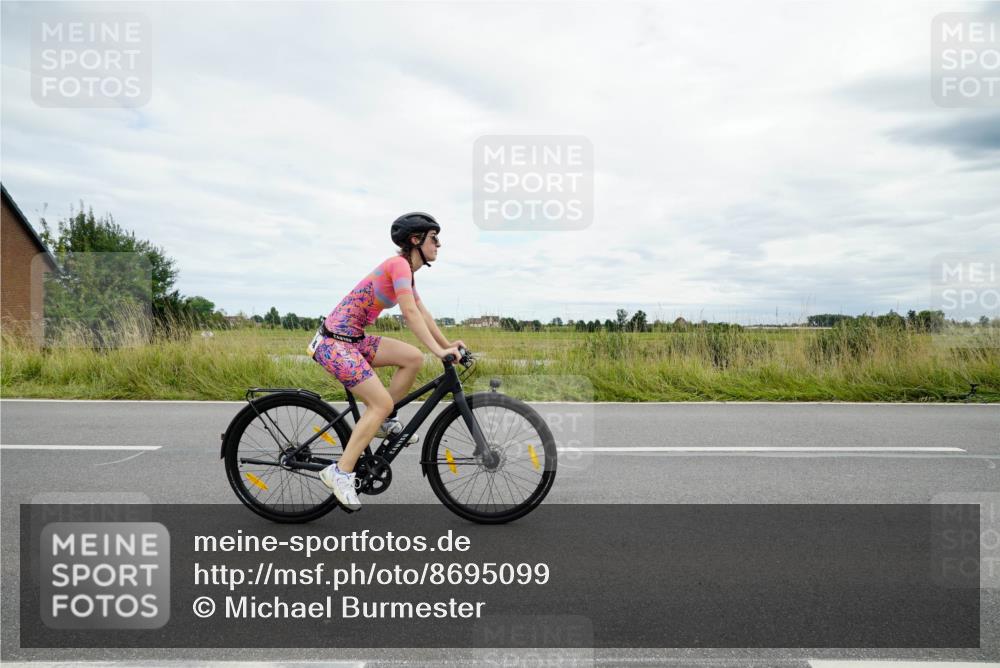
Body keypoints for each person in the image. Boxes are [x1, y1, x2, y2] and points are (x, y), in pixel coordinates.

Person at [309, 212, 464, 510]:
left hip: (353, 340)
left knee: (412, 358)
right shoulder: (398, 265)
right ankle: (340, 472)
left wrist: (447, 345)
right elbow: (410, 313)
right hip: (334, 343)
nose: (439, 244)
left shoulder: (406, 272)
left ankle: (382, 420)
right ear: (416, 240)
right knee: (379, 403)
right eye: (434, 238)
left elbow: (422, 312)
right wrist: (439, 351)